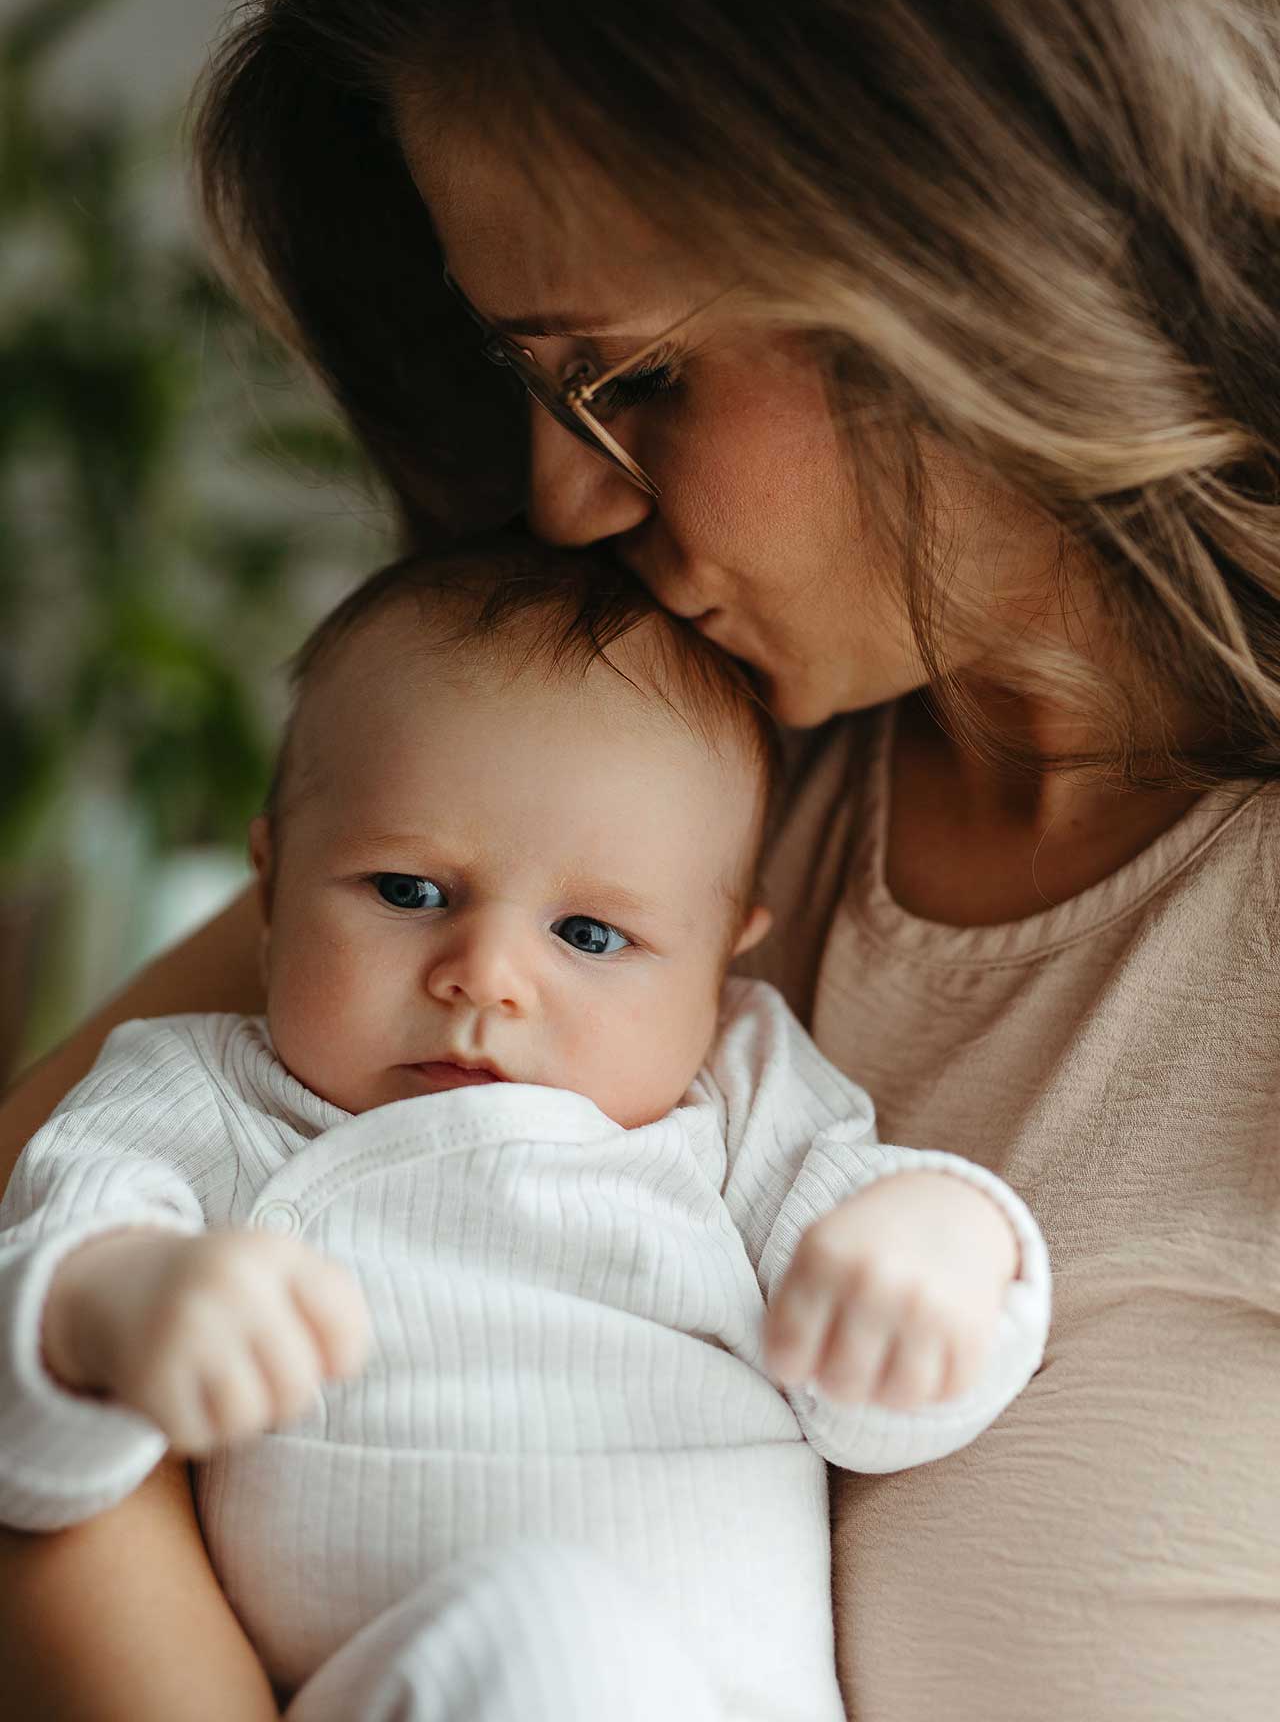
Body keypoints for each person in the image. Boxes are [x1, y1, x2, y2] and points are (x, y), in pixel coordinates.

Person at [3, 0, 1279, 1716]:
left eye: (637, 379)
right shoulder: (609, 789)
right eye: (529, 385)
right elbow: (31, 1266)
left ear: (993, 262)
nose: (563, 502)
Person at [0, 542, 1049, 1722]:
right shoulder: (200, 1092)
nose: (485, 978)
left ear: (720, 966)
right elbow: (23, 1390)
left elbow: (878, 1411)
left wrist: (944, 1240)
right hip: (433, 1682)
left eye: (590, 936)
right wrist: (101, 1310)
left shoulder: (737, 1092)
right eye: (408, 892)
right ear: (271, 881)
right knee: (548, 1625)